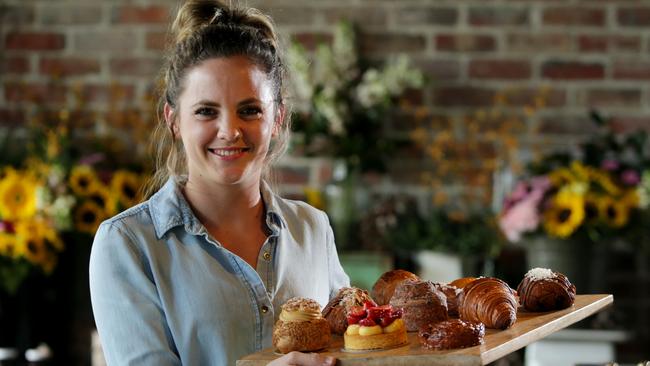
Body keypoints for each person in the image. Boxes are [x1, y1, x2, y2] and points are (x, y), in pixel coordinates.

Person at [89, 1, 349, 365]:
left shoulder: (313, 229)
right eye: (206, 111)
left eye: (250, 110)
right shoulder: (128, 244)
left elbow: (352, 347)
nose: (230, 131)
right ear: (174, 120)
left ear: (277, 118)